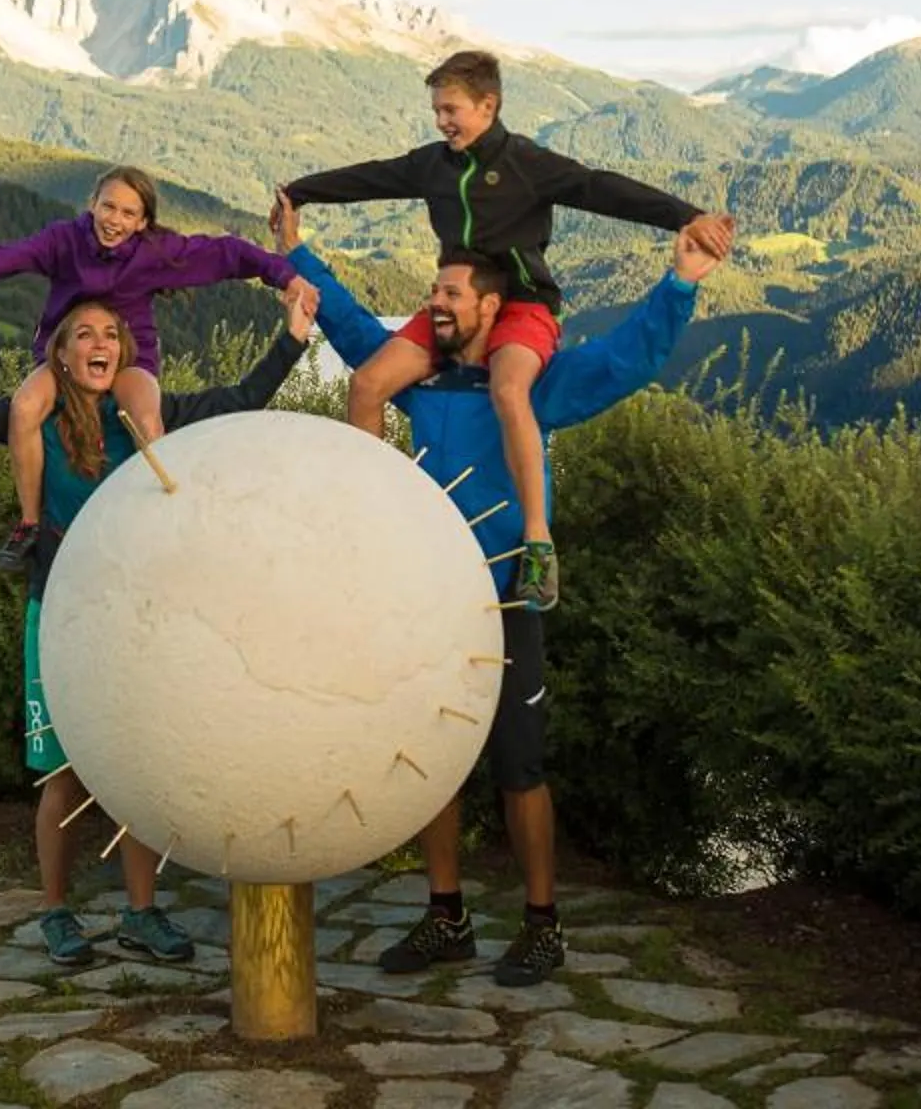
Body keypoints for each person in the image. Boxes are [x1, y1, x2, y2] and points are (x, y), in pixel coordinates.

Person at [271, 190, 727, 985]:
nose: (433, 305)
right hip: (424, 599)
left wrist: (680, 283)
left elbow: (629, 359)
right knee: (428, 765)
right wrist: (296, 248)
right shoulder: (424, 382)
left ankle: (542, 926)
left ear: (490, 307)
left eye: (450, 294)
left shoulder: (535, 385)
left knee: (520, 768)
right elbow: (349, 330)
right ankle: (445, 917)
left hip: (509, 597)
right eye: (432, 293)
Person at [0, 274, 322, 969]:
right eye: (83, 334)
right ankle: (56, 914)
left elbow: (239, 401)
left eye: (111, 334)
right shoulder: (34, 423)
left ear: (124, 352)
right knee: (65, 775)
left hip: (138, 625)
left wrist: (294, 336)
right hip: (58, 617)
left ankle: (140, 915)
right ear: (59, 353)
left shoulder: (148, 416)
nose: (100, 343)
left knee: (137, 770)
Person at [276, 50, 733, 613]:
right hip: (457, 300)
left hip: (522, 305)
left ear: (488, 105)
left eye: (452, 109)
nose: (442, 121)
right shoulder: (432, 165)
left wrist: (685, 216)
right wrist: (298, 192)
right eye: (437, 110)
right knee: (369, 383)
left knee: (509, 389)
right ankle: (375, 508)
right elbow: (370, 178)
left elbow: (600, 187)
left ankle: (538, 540)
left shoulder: (525, 162)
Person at [0, 167, 295, 577]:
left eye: (128, 213)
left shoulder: (156, 252)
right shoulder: (63, 243)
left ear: (143, 222)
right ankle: (29, 527)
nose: (115, 220)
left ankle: (159, 520)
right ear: (92, 205)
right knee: (25, 407)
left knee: (147, 420)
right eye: (109, 206)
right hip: (61, 357)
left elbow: (227, 254)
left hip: (132, 361)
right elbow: (0, 259)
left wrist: (286, 277)